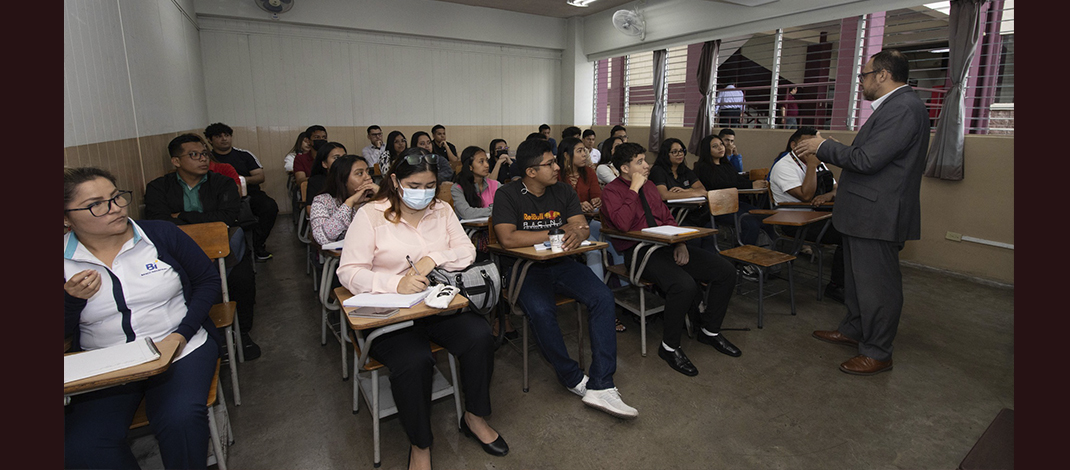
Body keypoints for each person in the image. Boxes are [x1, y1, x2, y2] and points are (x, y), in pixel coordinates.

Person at [335, 147, 507, 470]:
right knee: (415, 361)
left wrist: (433, 259)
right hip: (392, 312)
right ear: (395, 181)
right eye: (414, 186)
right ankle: (420, 444)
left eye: (429, 185)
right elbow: (348, 271)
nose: (423, 193)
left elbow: (466, 250)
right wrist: (393, 284)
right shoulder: (371, 215)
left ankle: (474, 417)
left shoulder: (441, 209)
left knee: (480, 336)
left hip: (436, 306)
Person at [64, 167, 222, 469]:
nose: (115, 208)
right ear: (66, 218)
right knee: (81, 444)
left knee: (180, 420)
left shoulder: (160, 235)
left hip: (179, 348)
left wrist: (181, 334)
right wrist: (70, 301)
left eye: (116, 197)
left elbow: (207, 282)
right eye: (96, 204)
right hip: (103, 361)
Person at [792, 49, 929, 376]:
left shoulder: (904, 109)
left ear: (883, 75)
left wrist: (822, 146)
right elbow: (871, 156)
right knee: (857, 283)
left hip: (878, 216)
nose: (861, 81)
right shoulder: (893, 108)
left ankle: (878, 351)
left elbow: (868, 160)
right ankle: (854, 329)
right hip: (863, 214)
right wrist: (836, 146)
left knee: (878, 287)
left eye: (864, 75)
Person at [492, 138, 638, 419]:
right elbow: (508, 238)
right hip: (526, 268)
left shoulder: (563, 190)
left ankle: (602, 383)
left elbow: (581, 226)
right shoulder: (508, 194)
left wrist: (578, 232)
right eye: (550, 163)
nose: (558, 167)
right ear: (531, 172)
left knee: (603, 297)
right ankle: (571, 378)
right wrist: (556, 233)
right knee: (542, 311)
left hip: (562, 262)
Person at [600, 143, 741, 376]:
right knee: (684, 285)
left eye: (645, 160)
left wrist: (681, 242)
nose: (647, 166)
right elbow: (623, 225)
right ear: (625, 168)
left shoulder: (652, 187)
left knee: (725, 271)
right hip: (639, 253)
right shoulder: (612, 192)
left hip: (666, 245)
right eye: (640, 162)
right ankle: (669, 346)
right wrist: (633, 190)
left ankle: (710, 331)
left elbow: (667, 218)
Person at [145, 133, 262, 360]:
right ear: (176, 161)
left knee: (242, 277)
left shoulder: (222, 183)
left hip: (222, 245)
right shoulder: (158, 187)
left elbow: (227, 217)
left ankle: (242, 333)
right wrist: (204, 222)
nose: (203, 159)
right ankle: (195, 330)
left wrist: (182, 217)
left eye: (205, 154)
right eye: (194, 155)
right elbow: (158, 222)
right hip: (176, 251)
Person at [557, 137, 628, 333]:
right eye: (579, 150)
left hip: (590, 221)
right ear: (566, 155)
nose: (584, 154)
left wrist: (595, 202)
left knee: (615, 241)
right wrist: (576, 207)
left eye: (584, 151)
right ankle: (601, 304)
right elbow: (554, 208)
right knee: (594, 250)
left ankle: (624, 295)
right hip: (568, 226)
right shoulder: (556, 175)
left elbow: (597, 196)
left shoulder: (589, 172)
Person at [769, 127, 846, 302]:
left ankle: (852, 282)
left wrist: (828, 195)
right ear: (794, 145)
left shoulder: (820, 164)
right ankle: (836, 286)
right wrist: (811, 165)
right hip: (795, 223)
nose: (812, 148)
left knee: (854, 228)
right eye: (807, 143)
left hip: (819, 216)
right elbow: (806, 195)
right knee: (846, 235)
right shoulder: (784, 166)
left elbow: (837, 188)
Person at [205, 122, 279, 261]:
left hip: (250, 194)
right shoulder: (207, 159)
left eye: (226, 135)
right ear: (210, 140)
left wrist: (240, 180)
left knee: (270, 207)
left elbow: (260, 176)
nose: (224, 139)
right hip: (219, 198)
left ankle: (258, 245)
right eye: (218, 136)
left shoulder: (244, 155)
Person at [692, 134, 776, 255]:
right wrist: (751, 185)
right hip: (719, 207)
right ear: (707, 150)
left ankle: (765, 254)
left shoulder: (726, 165)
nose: (720, 148)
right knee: (750, 223)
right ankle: (742, 259)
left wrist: (755, 183)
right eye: (715, 146)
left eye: (721, 144)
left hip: (735, 203)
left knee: (766, 218)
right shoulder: (703, 168)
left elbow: (737, 180)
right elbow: (722, 185)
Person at [309, 154, 378, 246]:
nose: (368, 177)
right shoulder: (322, 201)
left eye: (368, 172)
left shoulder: (374, 199)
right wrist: (349, 203)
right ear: (343, 179)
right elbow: (321, 237)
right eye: (360, 173)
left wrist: (383, 197)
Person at [648, 137, 710, 230]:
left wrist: (686, 191)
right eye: (674, 152)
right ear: (666, 154)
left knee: (710, 228)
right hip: (671, 214)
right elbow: (664, 195)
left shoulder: (684, 170)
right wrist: (692, 193)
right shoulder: (658, 171)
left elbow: (702, 189)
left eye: (681, 151)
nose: (679, 154)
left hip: (689, 212)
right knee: (694, 233)